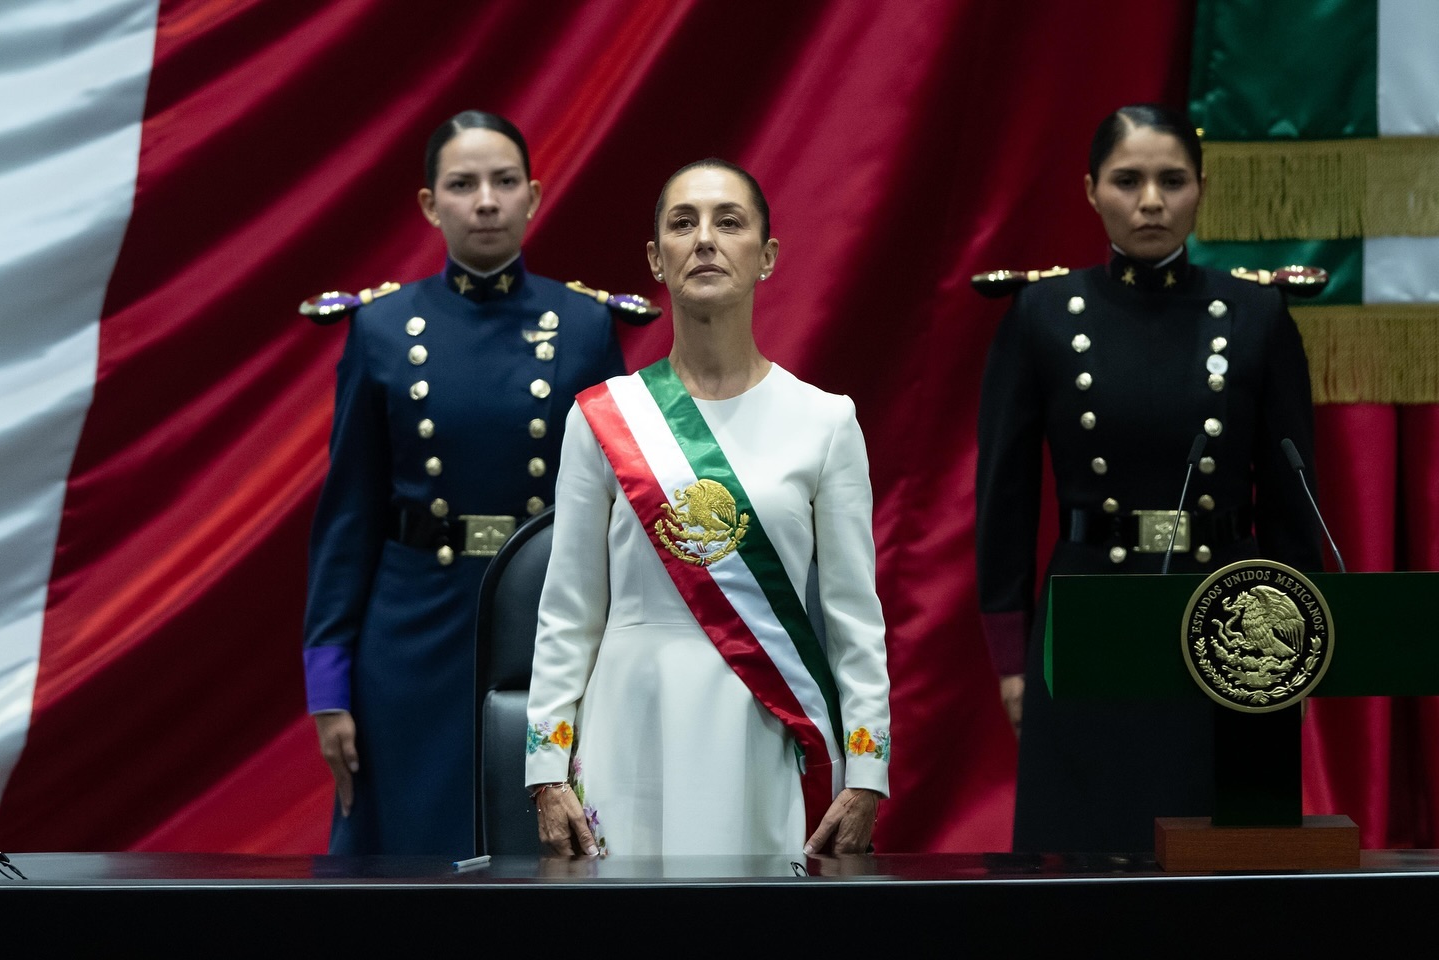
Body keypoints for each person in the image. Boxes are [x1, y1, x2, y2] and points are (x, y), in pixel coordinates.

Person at [302, 110, 655, 856]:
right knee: (409, 846)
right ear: (431, 205)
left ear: (533, 195)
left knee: (537, 848)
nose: (486, 201)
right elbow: (348, 516)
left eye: (503, 182)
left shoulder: (585, 326)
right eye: (463, 185)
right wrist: (329, 686)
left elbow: (618, 514)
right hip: (411, 632)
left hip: (542, 622)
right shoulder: (383, 328)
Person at [974, 104, 1324, 853]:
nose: (1152, 201)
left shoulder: (1256, 314)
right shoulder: (1040, 314)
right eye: (1128, 181)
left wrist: (1299, 644)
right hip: (1089, 609)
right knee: (1084, 857)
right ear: (1092, 190)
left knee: (1227, 861)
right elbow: (1003, 501)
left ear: (1201, 189)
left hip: (1231, 615)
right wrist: (1011, 659)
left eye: (1172, 180)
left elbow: (1294, 502)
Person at [524, 159, 891, 857]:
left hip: (767, 728)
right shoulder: (602, 419)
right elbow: (567, 611)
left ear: (768, 257)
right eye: (682, 223)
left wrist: (867, 771)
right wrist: (545, 769)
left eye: (730, 222)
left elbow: (854, 619)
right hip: (630, 723)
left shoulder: (826, 422)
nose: (705, 240)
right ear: (657, 260)